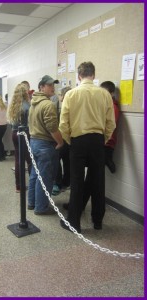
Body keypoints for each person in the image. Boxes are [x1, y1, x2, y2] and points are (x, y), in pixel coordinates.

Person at [59, 62, 115, 232]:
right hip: (98, 141)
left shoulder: (71, 94)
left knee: (76, 182)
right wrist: (103, 139)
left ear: (79, 76)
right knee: (98, 181)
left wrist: (70, 141)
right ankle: (97, 220)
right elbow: (110, 123)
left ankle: (74, 222)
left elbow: (63, 124)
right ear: (94, 74)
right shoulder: (105, 94)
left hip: (78, 140)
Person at [80, 81, 120, 212]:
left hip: (105, 145)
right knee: (92, 180)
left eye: (105, 93)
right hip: (101, 145)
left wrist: (103, 143)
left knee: (93, 181)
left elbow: (109, 127)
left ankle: (81, 208)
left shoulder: (112, 107)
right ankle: (82, 208)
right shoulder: (106, 105)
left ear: (112, 93)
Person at [28, 75, 64, 215]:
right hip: (44, 144)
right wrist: (60, 142)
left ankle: (32, 202)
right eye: (49, 85)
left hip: (34, 142)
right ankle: (41, 207)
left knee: (34, 175)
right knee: (45, 177)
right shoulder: (48, 104)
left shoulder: (34, 102)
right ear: (41, 87)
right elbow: (52, 128)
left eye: (53, 85)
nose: (52, 88)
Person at [8, 83, 32, 193]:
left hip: (14, 133)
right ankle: (33, 184)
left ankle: (18, 186)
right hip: (24, 134)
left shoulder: (14, 105)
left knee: (18, 160)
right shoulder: (27, 105)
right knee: (30, 160)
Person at [52, 86, 71, 195]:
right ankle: (66, 182)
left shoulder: (62, 106)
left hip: (62, 137)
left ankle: (58, 183)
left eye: (60, 95)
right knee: (67, 161)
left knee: (57, 160)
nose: (59, 97)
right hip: (70, 138)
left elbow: (60, 125)